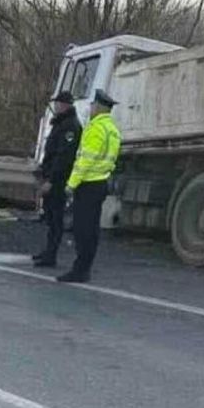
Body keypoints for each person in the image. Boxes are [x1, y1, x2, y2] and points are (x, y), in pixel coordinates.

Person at [57, 89, 121, 283]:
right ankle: (85, 267)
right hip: (101, 182)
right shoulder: (113, 130)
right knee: (92, 229)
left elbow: (85, 160)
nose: (91, 108)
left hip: (88, 184)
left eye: (93, 105)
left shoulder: (96, 128)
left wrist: (71, 184)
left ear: (99, 108)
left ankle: (80, 269)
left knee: (82, 228)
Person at [33, 91, 82, 267]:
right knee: (50, 217)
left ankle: (51, 254)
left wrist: (51, 181)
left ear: (65, 105)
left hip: (59, 179)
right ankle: (48, 251)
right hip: (51, 175)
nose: (55, 107)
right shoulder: (61, 123)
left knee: (56, 218)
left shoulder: (70, 126)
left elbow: (63, 158)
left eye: (58, 104)